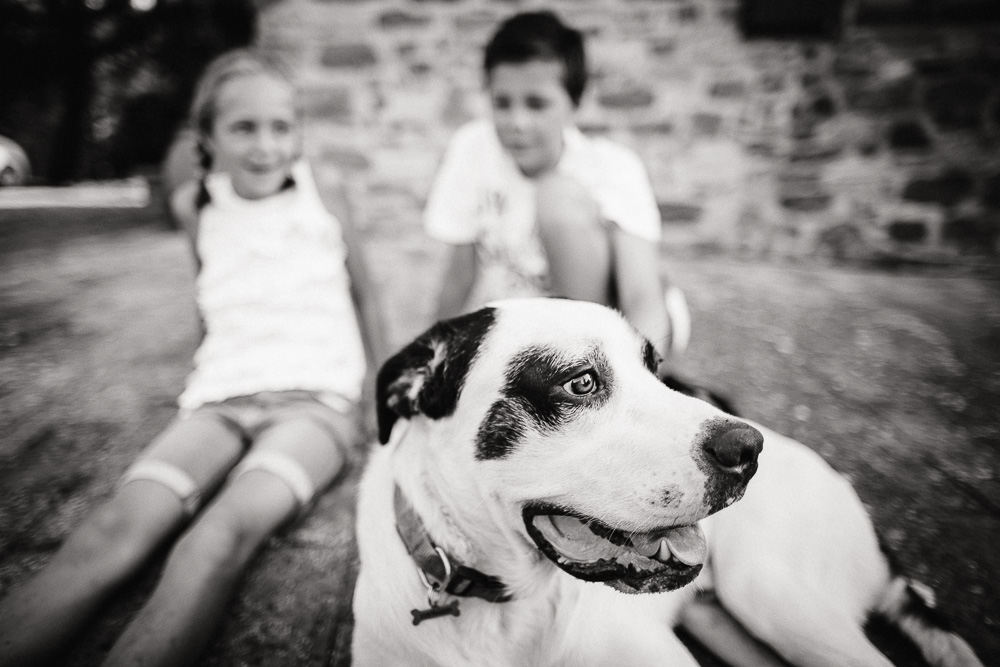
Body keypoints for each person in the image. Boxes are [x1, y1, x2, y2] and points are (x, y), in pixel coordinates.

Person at [0, 48, 387, 667]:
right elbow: (219, 296)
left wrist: (376, 398)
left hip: (315, 406)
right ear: (206, 135)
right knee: (113, 528)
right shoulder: (197, 208)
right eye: (243, 127)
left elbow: (365, 296)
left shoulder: (327, 195)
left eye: (282, 127)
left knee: (219, 533)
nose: (266, 146)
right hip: (218, 401)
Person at [425, 10, 689, 362]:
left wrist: (638, 377)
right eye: (502, 103)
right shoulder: (472, 149)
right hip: (537, 321)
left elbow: (642, 295)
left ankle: (591, 371)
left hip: (626, 324)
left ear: (574, 104)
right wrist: (431, 361)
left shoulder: (613, 167)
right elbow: (459, 273)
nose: (517, 122)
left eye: (537, 104)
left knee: (556, 197)